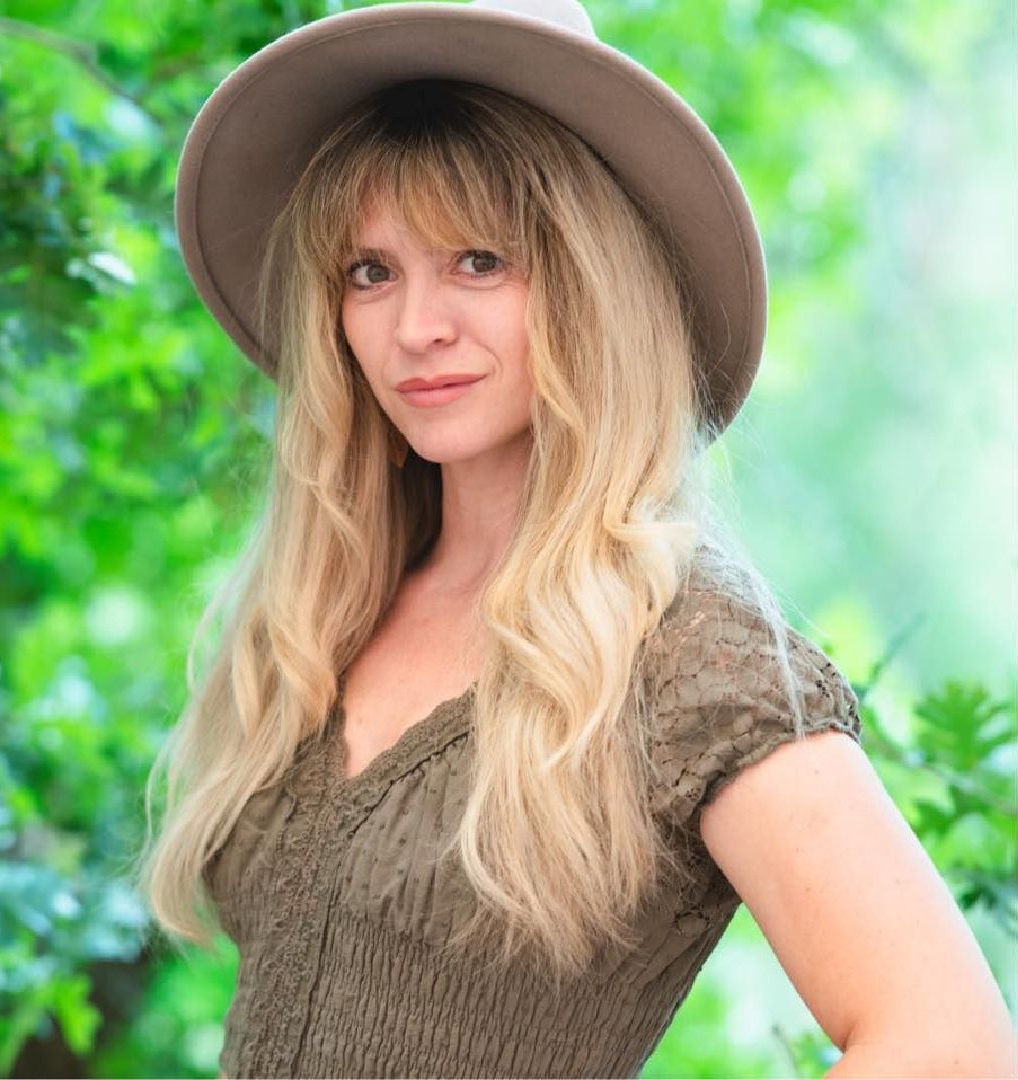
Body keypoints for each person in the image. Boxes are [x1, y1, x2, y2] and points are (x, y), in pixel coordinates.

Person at [134, 1, 1018, 1077]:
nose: (417, 327)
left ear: (590, 286)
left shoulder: (686, 653)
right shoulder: (337, 604)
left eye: (479, 261)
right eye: (372, 272)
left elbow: (951, 1043)